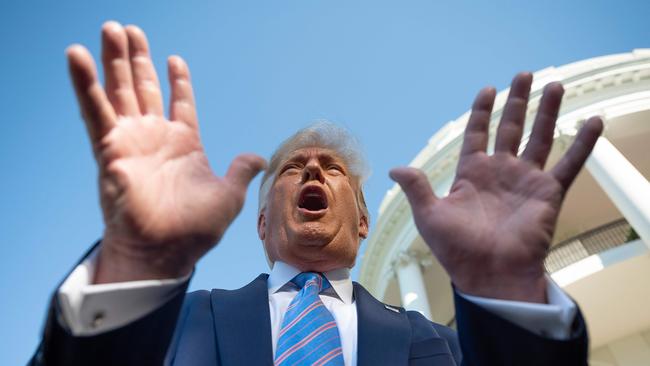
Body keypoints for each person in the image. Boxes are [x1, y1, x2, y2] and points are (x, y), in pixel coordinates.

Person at [30, 21, 603, 366]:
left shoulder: (432, 340)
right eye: (293, 168)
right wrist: (139, 260)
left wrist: (502, 287)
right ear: (260, 226)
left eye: (332, 169)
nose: (312, 172)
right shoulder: (177, 322)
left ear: (362, 223)